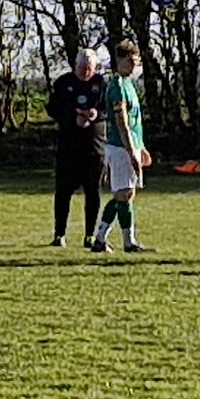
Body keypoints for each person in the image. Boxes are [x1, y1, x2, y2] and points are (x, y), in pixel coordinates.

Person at [47, 47, 112, 249]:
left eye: (90, 68)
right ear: (75, 65)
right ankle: (59, 235)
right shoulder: (63, 83)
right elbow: (52, 109)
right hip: (69, 149)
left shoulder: (102, 84)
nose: (85, 71)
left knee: (93, 192)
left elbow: (109, 109)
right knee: (63, 192)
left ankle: (90, 235)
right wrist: (72, 117)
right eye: (82, 67)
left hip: (95, 149)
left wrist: (96, 114)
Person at [96, 42, 153, 252]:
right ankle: (128, 242)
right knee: (124, 193)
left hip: (131, 145)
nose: (133, 66)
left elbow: (136, 121)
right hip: (120, 147)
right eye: (130, 61)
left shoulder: (130, 84)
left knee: (124, 194)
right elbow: (122, 123)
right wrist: (131, 151)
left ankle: (100, 238)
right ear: (119, 60)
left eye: (136, 62)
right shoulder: (117, 86)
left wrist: (141, 147)